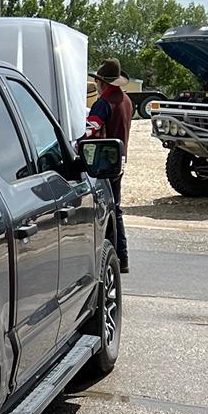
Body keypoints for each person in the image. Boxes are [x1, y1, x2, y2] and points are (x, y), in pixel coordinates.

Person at [85, 58, 132, 273]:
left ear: (102, 82)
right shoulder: (126, 101)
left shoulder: (104, 103)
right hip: (119, 161)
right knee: (116, 210)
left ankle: (111, 258)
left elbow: (89, 130)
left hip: (104, 162)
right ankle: (122, 258)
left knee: (106, 211)